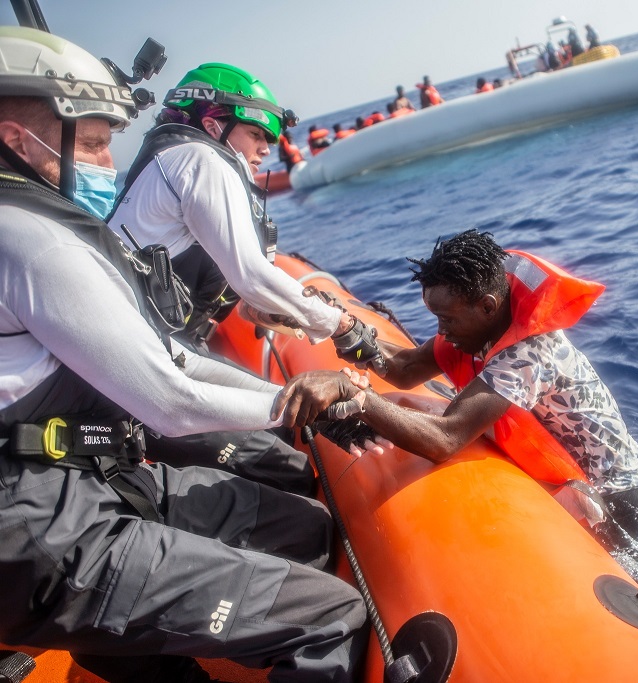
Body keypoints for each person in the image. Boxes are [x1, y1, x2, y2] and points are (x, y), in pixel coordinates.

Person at [0, 27, 369, 683]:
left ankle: (109, 641)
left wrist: (290, 404)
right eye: (89, 144)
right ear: (14, 139)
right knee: (329, 613)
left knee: (303, 529)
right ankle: (100, 626)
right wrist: (296, 400)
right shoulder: (31, 239)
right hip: (38, 522)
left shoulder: (31, 224)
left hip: (77, 477)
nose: (108, 166)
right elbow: (168, 395)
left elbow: (166, 356)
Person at [107, 63, 383, 492]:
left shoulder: (168, 161)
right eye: (256, 135)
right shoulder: (200, 160)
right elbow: (252, 276)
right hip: (140, 379)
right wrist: (343, 327)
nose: (264, 150)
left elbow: (246, 299)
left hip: (166, 352)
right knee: (286, 469)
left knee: (280, 430)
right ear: (215, 124)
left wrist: (301, 324)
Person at [288, 230, 638, 548]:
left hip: (614, 498)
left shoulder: (528, 355)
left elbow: (445, 440)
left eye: (446, 319)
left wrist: (354, 398)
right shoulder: (479, 326)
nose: (440, 330)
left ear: (487, 306)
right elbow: (405, 368)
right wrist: (343, 328)